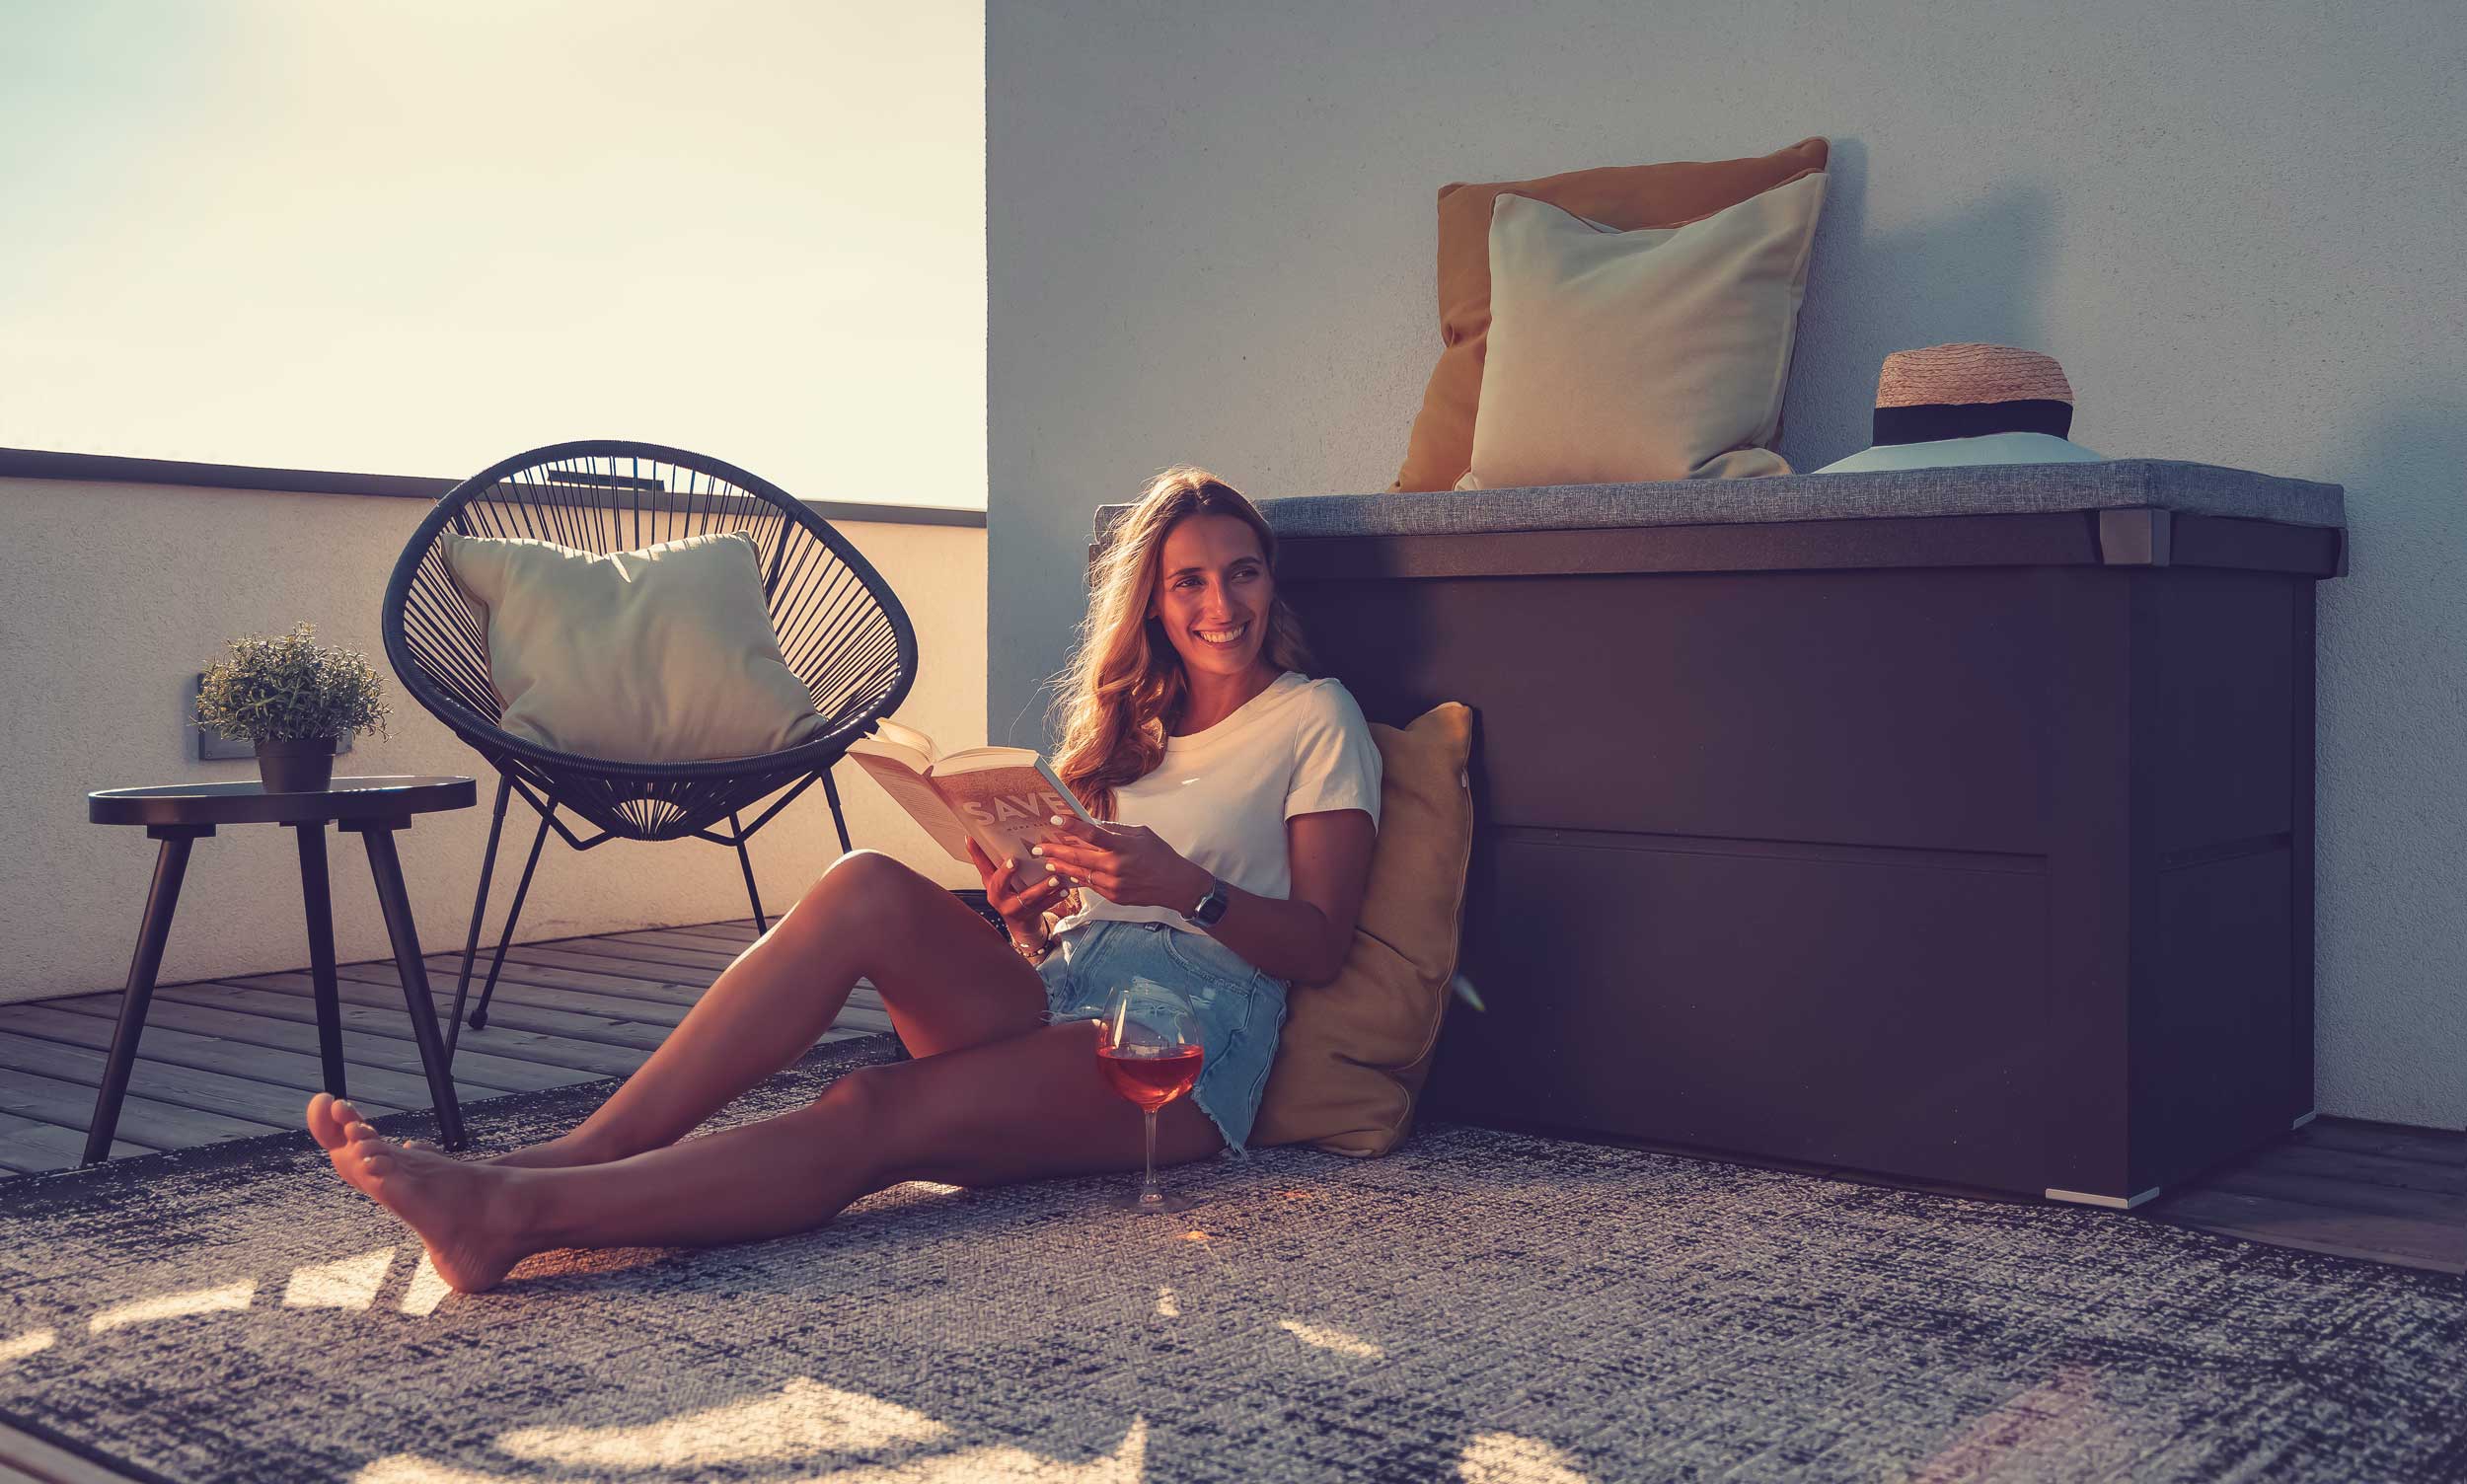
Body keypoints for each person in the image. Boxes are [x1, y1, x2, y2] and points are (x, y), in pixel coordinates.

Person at [307, 467, 1383, 1293]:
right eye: (1187, 580)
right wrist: (1020, 917)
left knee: (873, 1102)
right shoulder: (1127, 730)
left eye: (1241, 571)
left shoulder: (1312, 715)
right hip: (1066, 989)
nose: (1219, 603)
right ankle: (573, 1154)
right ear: (1152, 601)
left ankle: (515, 1219)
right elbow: (1070, 930)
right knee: (866, 881)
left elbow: (1321, 942)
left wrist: (1183, 885)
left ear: (1267, 580)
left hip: (1184, 1039)